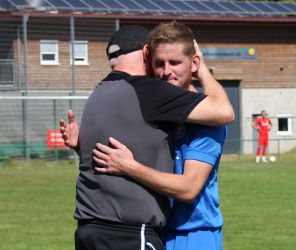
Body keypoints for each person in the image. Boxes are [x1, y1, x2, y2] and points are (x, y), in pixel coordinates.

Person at [60, 24, 234, 250]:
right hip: (160, 230)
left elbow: (188, 188)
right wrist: (83, 147)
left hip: (195, 233)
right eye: (159, 63)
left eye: (175, 63)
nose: (166, 71)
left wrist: (202, 71)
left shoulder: (209, 122)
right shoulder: (158, 109)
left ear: (193, 63)